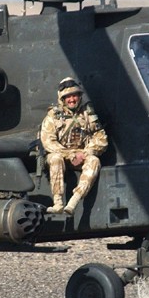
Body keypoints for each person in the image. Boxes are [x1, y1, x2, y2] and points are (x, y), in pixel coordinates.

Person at [40, 77, 108, 216]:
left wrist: (87, 152)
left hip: (81, 154)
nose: (72, 99)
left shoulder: (87, 114)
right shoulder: (54, 116)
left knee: (94, 161)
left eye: (74, 95)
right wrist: (70, 155)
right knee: (55, 158)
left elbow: (101, 139)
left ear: (79, 96)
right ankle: (58, 202)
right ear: (62, 99)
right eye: (68, 97)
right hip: (61, 155)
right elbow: (48, 142)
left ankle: (74, 200)